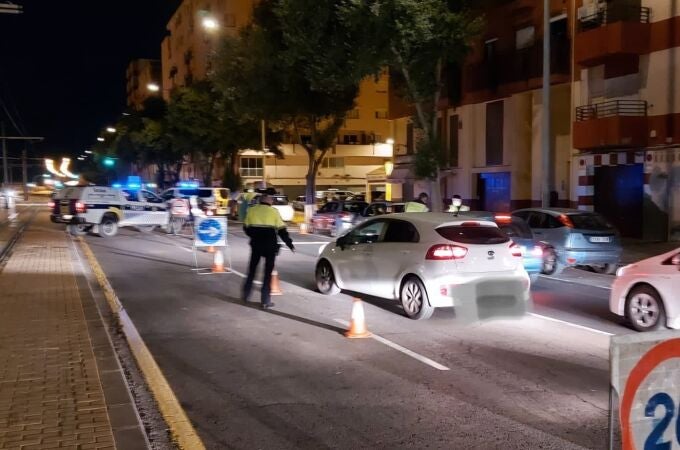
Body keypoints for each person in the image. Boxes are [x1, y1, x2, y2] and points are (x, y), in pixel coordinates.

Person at [242, 194, 295, 309]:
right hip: (270, 246)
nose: (272, 201)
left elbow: (245, 227)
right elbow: (282, 231)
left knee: (251, 270)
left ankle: (246, 295)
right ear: (269, 201)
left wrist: (254, 236)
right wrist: (290, 244)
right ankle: (265, 301)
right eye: (271, 200)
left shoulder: (251, 210)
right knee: (267, 274)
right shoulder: (274, 212)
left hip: (256, 245)